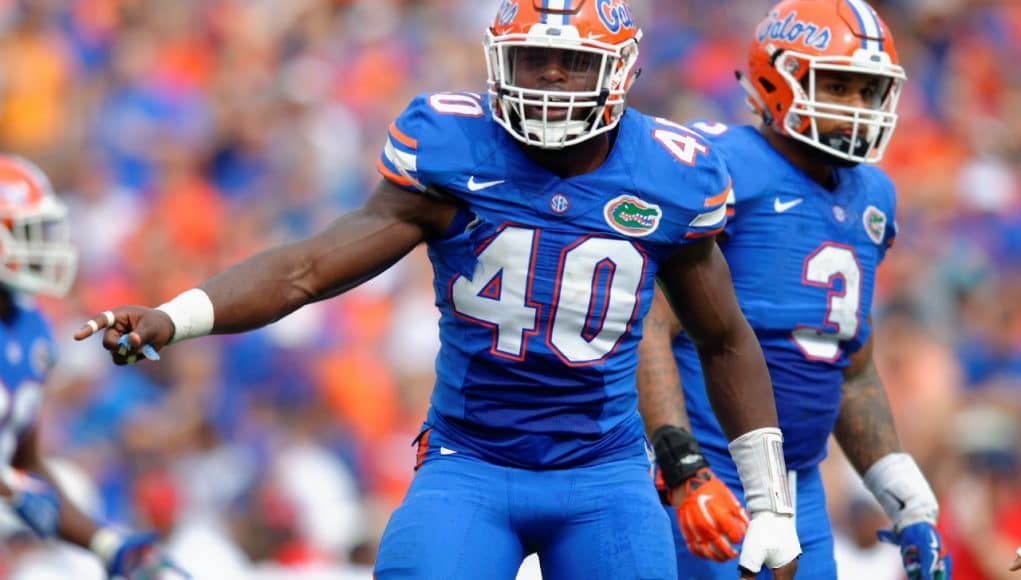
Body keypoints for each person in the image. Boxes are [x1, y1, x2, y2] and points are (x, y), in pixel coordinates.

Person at [76, 1, 801, 578]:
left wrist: (770, 501)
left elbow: (723, 336)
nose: (548, 77)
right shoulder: (453, 150)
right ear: (496, 62)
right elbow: (307, 269)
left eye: (569, 63)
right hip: (470, 462)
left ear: (619, 74)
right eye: (531, 60)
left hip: (605, 474)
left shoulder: (670, 174)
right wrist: (175, 317)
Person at [636, 0, 952, 578]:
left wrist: (905, 498)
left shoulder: (874, 196)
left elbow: (848, 366)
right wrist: (681, 461)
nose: (857, 107)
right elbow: (649, 323)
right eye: (838, 86)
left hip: (798, 484)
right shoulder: (722, 165)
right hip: (711, 467)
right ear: (776, 79)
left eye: (867, 90)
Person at [0, 155, 184, 579]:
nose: (43, 246)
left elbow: (24, 461)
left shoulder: (31, 330)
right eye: (27, 232)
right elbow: (14, 479)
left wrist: (108, 543)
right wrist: (7, 486)